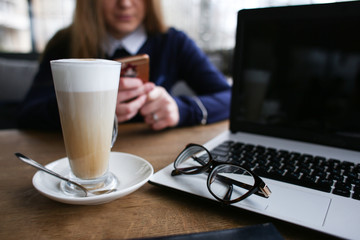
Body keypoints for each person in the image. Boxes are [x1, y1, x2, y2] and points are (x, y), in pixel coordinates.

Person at [18, 0, 231, 131]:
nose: (125, 3)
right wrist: (82, 109)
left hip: (154, 156)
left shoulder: (173, 42)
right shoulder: (65, 43)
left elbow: (230, 98)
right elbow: (27, 114)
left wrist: (181, 110)